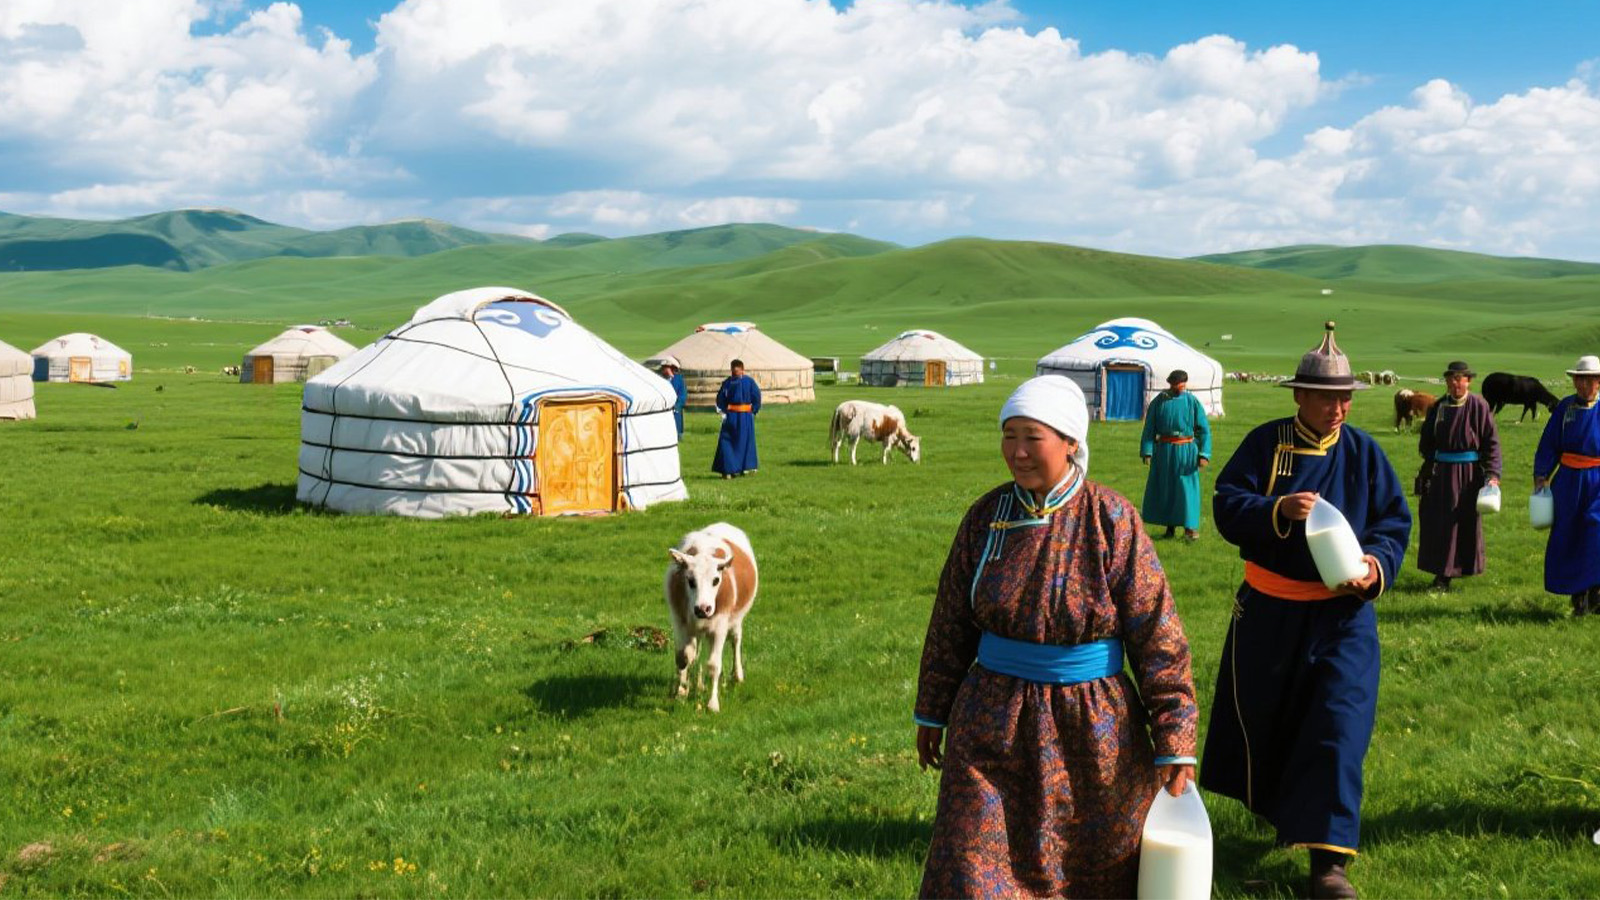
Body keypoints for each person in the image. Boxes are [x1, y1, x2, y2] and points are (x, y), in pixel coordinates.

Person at [914, 375, 1198, 898]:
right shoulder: (987, 517)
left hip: (1093, 729)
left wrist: (1175, 737)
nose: (1017, 453)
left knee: (1092, 872)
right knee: (969, 864)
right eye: (1009, 436)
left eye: (1032, 437)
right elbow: (951, 620)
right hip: (990, 723)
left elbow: (1159, 633)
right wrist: (933, 710)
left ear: (1070, 442)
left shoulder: (1111, 518)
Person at [1200, 322, 1411, 900]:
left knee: (1339, 730)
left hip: (1343, 620)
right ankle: (1287, 820)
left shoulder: (1366, 453)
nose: (1338, 408)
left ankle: (1328, 866)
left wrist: (1375, 566)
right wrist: (1277, 509)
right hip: (1270, 614)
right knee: (1275, 726)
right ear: (1300, 396)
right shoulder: (1266, 445)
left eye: (1345, 398)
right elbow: (1226, 504)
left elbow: (1394, 521)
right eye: (1326, 397)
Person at [1415, 360, 1501, 592]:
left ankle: (1456, 571)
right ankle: (1441, 574)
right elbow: (1426, 443)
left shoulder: (1479, 406)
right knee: (1438, 523)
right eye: (1451, 378)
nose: (1455, 383)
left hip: (1469, 475)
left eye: (1460, 378)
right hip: (1441, 474)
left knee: (1462, 524)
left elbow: (1491, 443)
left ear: (1468, 381)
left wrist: (1492, 474)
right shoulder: (1438, 407)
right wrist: (1430, 466)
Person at [1533, 354, 1600, 616]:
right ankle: (1578, 596)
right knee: (1569, 533)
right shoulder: (1565, 408)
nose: (1585, 385)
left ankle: (1596, 590)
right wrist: (1541, 475)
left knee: (1595, 532)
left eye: (1590, 380)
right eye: (1580, 380)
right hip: (1569, 479)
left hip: (1598, 478)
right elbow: (1550, 442)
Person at [1139, 369, 1212, 542]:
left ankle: (1190, 528)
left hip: (1186, 450)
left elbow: (1204, 430)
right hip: (1164, 450)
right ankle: (1169, 527)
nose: (1179, 388)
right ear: (1170, 384)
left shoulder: (1191, 401)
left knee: (1187, 489)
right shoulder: (1159, 402)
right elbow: (1149, 428)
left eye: (1182, 385)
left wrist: (1204, 454)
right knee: (1167, 488)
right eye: (1176, 385)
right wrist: (1147, 451)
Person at [712, 359, 761, 478]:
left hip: (745, 416)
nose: (735, 374)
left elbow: (756, 397)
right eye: (733, 372)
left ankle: (744, 467)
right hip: (731, 416)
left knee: (744, 442)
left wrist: (753, 411)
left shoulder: (749, 382)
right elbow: (720, 398)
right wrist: (723, 411)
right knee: (726, 441)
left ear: (742, 370)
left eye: (737, 372)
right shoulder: (727, 383)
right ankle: (728, 469)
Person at [657, 356, 687, 437]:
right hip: (662, 410)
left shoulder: (679, 380)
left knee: (676, 433)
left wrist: (676, 406)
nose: (663, 369)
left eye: (665, 367)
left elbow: (682, 396)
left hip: (675, 411)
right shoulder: (659, 380)